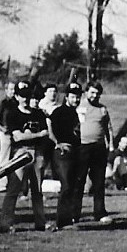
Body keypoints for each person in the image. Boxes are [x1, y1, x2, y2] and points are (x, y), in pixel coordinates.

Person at [0, 81, 52, 233]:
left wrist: (33, 136)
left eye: (28, 95)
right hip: (20, 153)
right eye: (22, 96)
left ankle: (40, 222)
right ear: (16, 96)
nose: (26, 99)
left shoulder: (38, 114)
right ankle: (6, 223)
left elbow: (46, 134)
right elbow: (18, 137)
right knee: (14, 189)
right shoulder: (13, 114)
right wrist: (37, 134)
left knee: (37, 190)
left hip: (37, 152)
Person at [48, 82, 84, 230]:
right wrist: (56, 143)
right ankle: (62, 221)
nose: (76, 99)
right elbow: (49, 124)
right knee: (67, 185)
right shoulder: (59, 111)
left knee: (74, 185)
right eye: (73, 96)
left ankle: (70, 218)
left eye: (78, 97)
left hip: (75, 152)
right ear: (67, 97)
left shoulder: (76, 113)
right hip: (63, 153)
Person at [77, 82, 112, 221]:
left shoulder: (102, 109)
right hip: (82, 147)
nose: (95, 96)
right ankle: (75, 213)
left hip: (99, 147)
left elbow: (108, 128)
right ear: (86, 92)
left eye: (97, 93)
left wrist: (111, 145)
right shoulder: (79, 106)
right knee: (79, 181)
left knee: (99, 181)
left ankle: (100, 212)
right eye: (92, 92)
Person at [0, 81, 19, 163]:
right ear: (6, 90)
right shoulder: (2, 103)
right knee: (5, 156)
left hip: (16, 132)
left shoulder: (17, 103)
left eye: (15, 89)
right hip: (5, 133)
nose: (13, 91)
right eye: (11, 89)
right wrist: (1, 128)